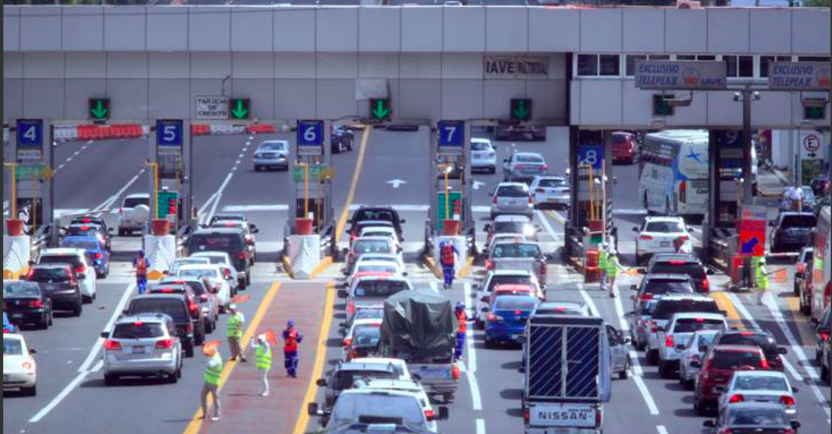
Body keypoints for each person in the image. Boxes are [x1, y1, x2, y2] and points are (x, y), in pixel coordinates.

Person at [200, 345, 222, 422]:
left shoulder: (217, 359)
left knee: (215, 398)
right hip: (208, 380)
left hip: (214, 382)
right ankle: (205, 414)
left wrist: (208, 357)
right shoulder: (213, 357)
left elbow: (211, 364)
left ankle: (217, 415)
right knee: (203, 395)